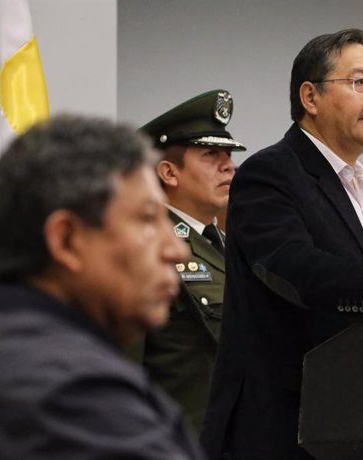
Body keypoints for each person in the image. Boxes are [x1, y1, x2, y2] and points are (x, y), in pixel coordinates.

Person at [201, 28, 363, 459]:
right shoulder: (271, 172)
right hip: (279, 428)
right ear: (310, 97)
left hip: (346, 422)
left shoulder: (357, 187)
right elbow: (289, 265)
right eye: (359, 82)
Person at [0, 115, 206, 459]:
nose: (176, 250)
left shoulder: (18, 350)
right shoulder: (70, 390)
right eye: (148, 219)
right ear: (67, 240)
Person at [136, 90, 244, 434]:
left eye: (228, 154)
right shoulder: (147, 247)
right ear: (169, 173)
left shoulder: (229, 245)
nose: (228, 165)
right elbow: (123, 364)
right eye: (211, 154)